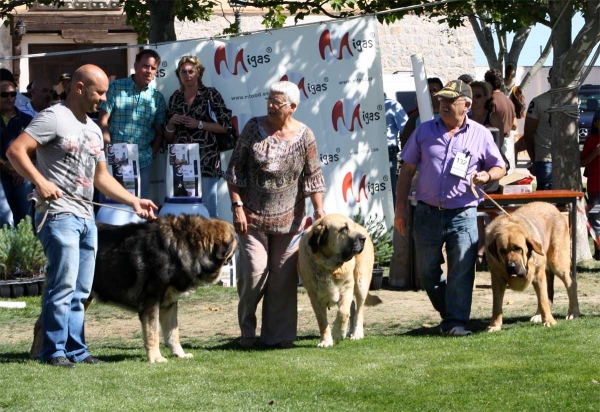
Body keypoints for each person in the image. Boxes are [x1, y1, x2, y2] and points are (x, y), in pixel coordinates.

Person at [6, 64, 158, 368]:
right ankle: (53, 351)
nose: (102, 98)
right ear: (79, 88)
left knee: (82, 289)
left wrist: (133, 201)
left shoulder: (92, 129)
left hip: (88, 219)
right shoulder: (53, 117)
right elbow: (16, 151)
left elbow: (101, 177)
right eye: (98, 92)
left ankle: (76, 350)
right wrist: (41, 181)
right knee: (62, 285)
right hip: (58, 215)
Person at [394, 80, 506, 336]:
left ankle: (455, 322)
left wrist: (486, 177)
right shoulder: (423, 131)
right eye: (442, 100)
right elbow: (406, 170)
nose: (442, 104)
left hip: (463, 212)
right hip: (426, 212)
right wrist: (400, 209)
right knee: (427, 271)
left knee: (462, 270)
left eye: (450, 101)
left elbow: (500, 166)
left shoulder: (481, 134)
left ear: (466, 105)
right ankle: (450, 312)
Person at [225, 81, 326, 349]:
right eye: (269, 100)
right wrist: (237, 206)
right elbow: (235, 172)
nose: (270, 106)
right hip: (251, 218)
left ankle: (278, 338)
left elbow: (313, 178)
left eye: (277, 102)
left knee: (282, 280)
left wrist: (319, 211)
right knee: (256, 274)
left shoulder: (305, 136)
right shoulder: (252, 129)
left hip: (289, 221)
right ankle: (247, 333)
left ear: (292, 107)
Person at [164, 55, 236, 217]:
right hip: (181, 163)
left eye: (191, 71)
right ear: (179, 75)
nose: (187, 75)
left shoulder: (211, 95)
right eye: (183, 72)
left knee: (209, 211)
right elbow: (168, 139)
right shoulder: (175, 99)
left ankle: (215, 243)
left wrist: (200, 124)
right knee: (183, 212)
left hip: (207, 160)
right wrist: (171, 124)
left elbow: (226, 126)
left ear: (199, 73)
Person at [98, 49, 167, 200]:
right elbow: (103, 121)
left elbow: (159, 132)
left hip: (143, 161)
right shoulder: (115, 88)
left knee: (138, 210)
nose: (149, 71)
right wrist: (110, 149)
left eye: (153, 68)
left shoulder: (157, 98)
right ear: (135, 66)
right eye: (145, 66)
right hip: (114, 158)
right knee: (111, 206)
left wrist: (152, 153)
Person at [0, 80, 34, 228]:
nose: (9, 98)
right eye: (4, 94)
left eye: (13, 94)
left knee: (26, 219)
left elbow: (35, 148)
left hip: (22, 174)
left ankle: (25, 250)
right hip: (1, 175)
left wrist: (20, 168)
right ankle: (7, 250)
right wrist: (5, 165)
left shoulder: (27, 119)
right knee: (4, 217)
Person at [517, 68, 553, 190]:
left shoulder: (572, 101)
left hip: (567, 158)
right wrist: (535, 160)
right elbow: (528, 135)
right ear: (549, 79)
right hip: (545, 160)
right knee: (546, 204)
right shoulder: (538, 102)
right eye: (555, 76)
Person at [400, 77, 444, 148]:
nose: (432, 94)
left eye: (435, 90)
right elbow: (406, 142)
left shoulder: (450, 114)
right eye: (429, 91)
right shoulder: (416, 116)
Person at [581, 109, 600, 261]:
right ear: (596, 123)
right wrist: (595, 152)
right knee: (596, 220)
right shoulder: (591, 140)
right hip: (595, 188)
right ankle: (599, 251)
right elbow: (582, 162)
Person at [384, 94, 408, 204]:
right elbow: (405, 128)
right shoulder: (392, 105)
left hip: (387, 150)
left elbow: (406, 129)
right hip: (386, 150)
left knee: (388, 187)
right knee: (389, 187)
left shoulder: (391, 105)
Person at [484, 68, 517, 137]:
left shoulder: (490, 101)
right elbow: (515, 125)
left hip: (496, 141)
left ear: (487, 83)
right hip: (508, 142)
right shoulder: (509, 101)